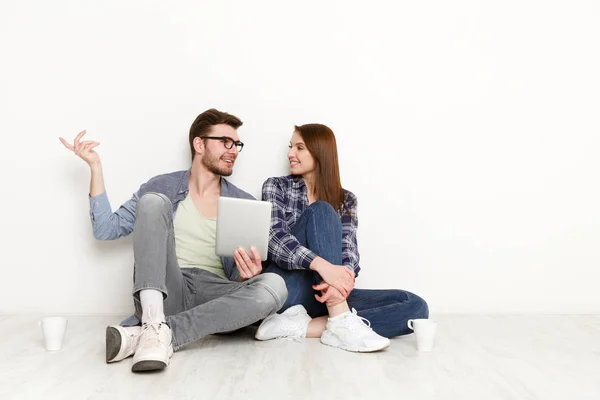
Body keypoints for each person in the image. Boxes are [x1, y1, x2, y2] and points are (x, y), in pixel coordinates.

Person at [59, 109, 288, 372]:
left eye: (237, 144)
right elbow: (105, 230)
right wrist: (94, 166)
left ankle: (154, 334)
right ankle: (154, 319)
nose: (233, 150)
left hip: (213, 295)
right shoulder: (162, 186)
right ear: (199, 144)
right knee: (153, 202)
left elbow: (237, 280)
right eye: (225, 141)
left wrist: (245, 276)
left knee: (274, 285)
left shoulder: (243, 202)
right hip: (168, 286)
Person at [255, 123, 429, 352]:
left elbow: (349, 251)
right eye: (291, 147)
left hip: (323, 294)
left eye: (299, 148)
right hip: (286, 289)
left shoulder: (347, 200)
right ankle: (338, 316)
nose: (290, 154)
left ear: (320, 152)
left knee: (415, 308)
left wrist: (340, 281)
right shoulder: (276, 186)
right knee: (321, 211)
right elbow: (274, 239)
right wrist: (322, 266)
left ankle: (307, 326)